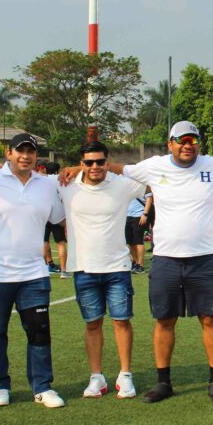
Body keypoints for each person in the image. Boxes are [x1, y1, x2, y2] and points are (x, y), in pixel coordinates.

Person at [108, 121, 213, 404]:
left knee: (210, 319)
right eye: (181, 141)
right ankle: (163, 382)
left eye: (192, 140)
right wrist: (74, 170)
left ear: (199, 143)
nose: (187, 145)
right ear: (170, 144)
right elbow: (115, 168)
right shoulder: (154, 165)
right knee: (165, 320)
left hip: (203, 258)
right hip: (165, 258)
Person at [0, 133, 66, 409]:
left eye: (31, 151)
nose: (25, 156)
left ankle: (42, 386)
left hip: (33, 273)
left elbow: (60, 219)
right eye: (20, 151)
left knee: (39, 331)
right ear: (9, 152)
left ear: (37, 155)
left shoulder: (46, 186)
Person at [58, 141, 146, 399]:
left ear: (108, 163)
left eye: (100, 162)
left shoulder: (122, 184)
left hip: (117, 266)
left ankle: (125, 375)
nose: (95, 167)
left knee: (122, 321)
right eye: (88, 162)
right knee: (92, 324)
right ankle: (97, 377)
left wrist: (78, 167)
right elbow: (31, 174)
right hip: (84, 267)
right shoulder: (66, 185)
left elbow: (149, 176)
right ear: (81, 163)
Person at [43, 162, 70, 278]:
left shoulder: (41, 180)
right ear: (57, 170)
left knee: (44, 242)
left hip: (44, 213)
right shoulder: (59, 179)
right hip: (57, 214)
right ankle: (64, 271)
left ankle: (45, 268)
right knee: (60, 243)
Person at [125, 188, 152, 274]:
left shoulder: (142, 183)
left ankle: (140, 265)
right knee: (130, 242)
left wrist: (145, 214)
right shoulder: (124, 181)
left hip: (138, 216)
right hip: (126, 215)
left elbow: (149, 198)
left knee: (138, 241)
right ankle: (135, 262)